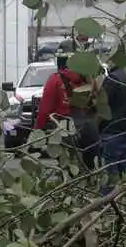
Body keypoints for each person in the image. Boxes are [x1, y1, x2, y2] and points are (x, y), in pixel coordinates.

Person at [34, 40, 99, 169]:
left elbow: (44, 111)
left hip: (66, 132)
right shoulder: (90, 81)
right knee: (90, 171)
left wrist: (36, 135)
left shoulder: (55, 80)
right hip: (91, 132)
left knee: (69, 171)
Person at [99, 63, 126, 190]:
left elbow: (102, 108)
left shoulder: (112, 79)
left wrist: (95, 129)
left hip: (112, 133)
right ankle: (125, 204)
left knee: (109, 180)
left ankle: (109, 207)